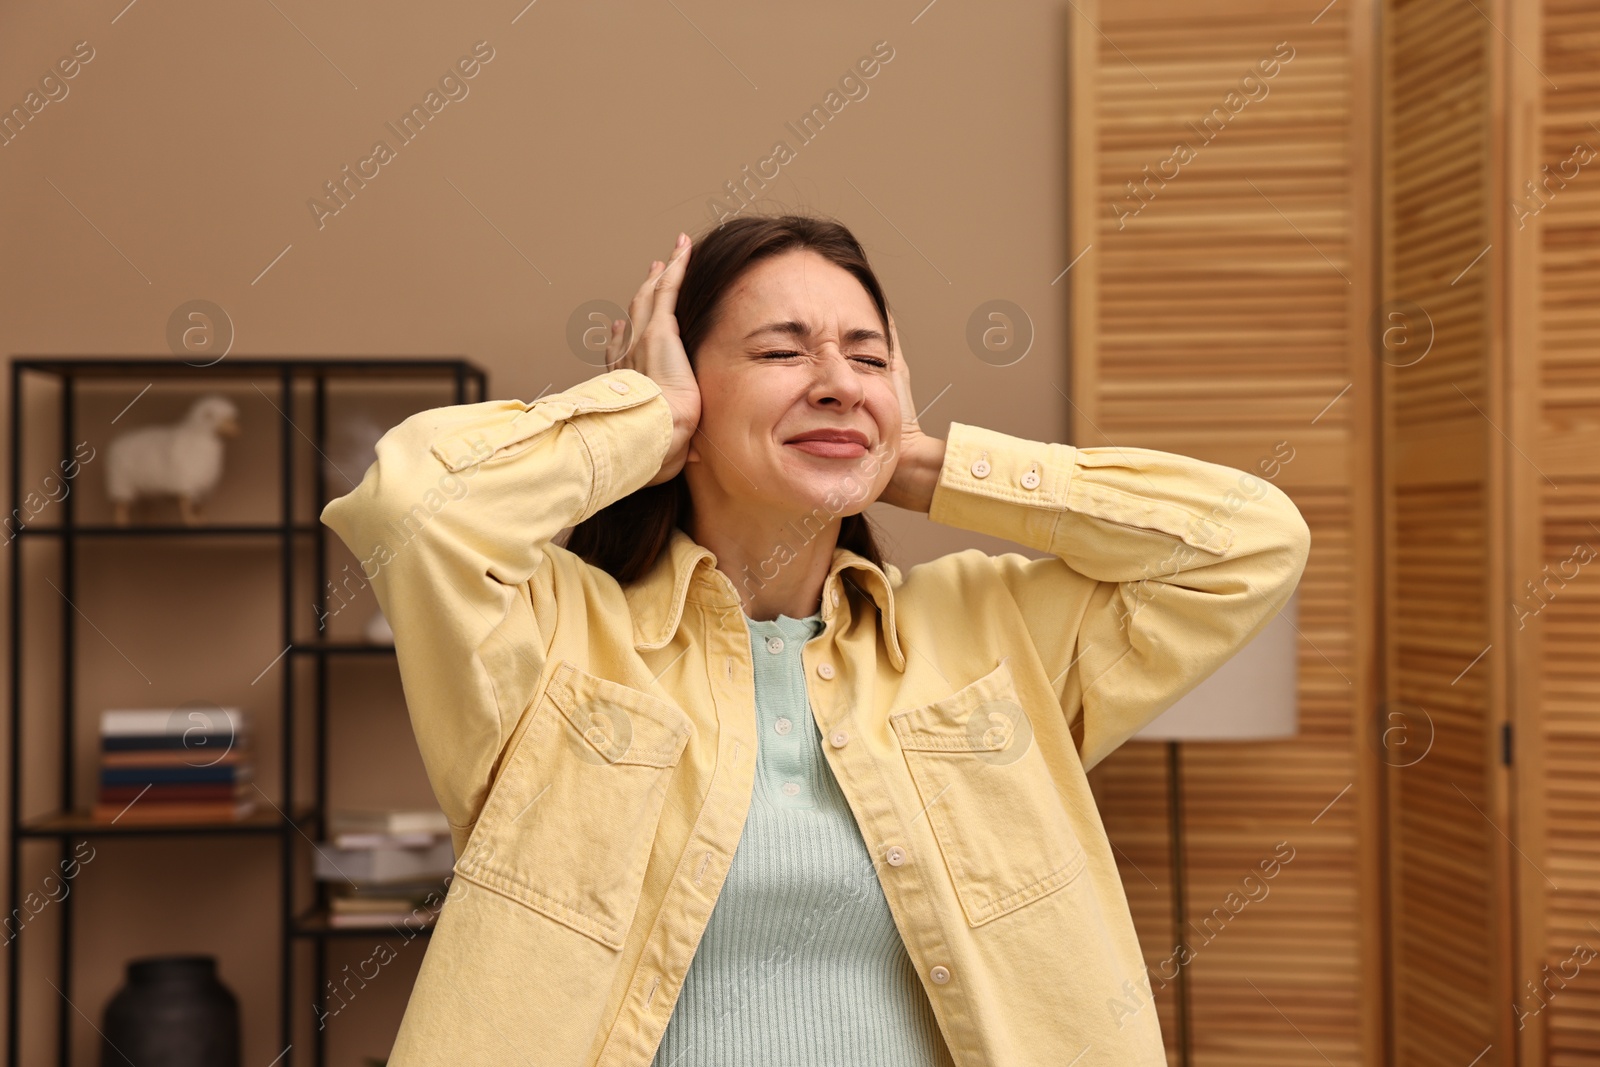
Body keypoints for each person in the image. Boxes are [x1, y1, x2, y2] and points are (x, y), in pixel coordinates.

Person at [320, 213, 1311, 1067]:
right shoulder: (559, 636)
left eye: (869, 356)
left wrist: (916, 460)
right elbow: (412, 500)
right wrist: (643, 415)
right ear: (691, 400)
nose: (837, 380)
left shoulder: (989, 635)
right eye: (783, 351)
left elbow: (1252, 539)